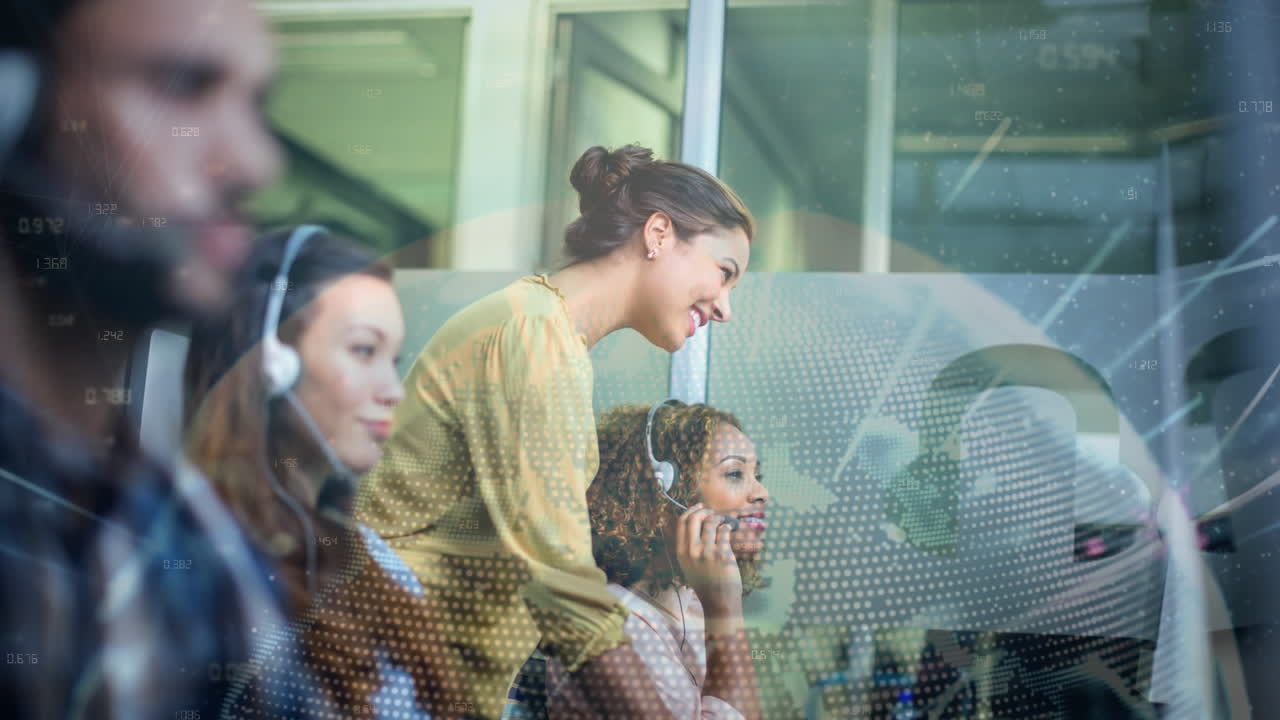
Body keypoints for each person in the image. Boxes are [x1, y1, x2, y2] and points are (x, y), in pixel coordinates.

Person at [358, 143, 755, 719]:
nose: (725, 308)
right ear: (660, 233)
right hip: (382, 679)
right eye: (724, 273)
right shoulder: (533, 337)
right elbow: (563, 585)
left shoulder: (548, 334)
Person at [0, 0, 283, 716]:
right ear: (13, 102)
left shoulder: (184, 531)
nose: (254, 162)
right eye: (181, 85)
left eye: (256, 103)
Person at [183, 226, 459, 718]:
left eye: (392, 359)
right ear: (272, 362)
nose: (393, 390)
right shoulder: (198, 558)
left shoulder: (372, 559)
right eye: (363, 351)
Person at [544, 401, 768, 720]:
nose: (761, 492)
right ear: (662, 492)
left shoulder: (695, 608)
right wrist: (726, 613)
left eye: (756, 475)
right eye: (735, 473)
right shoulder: (603, 625)